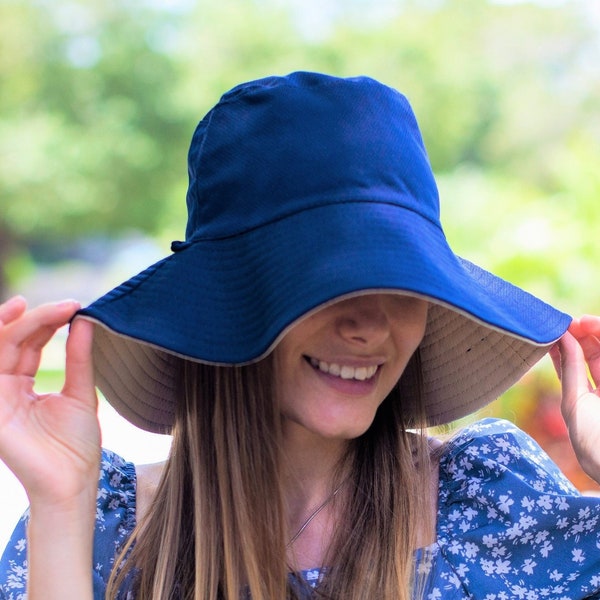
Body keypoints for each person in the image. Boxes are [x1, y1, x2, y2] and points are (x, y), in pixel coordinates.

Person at [0, 71, 599, 600]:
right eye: (325, 283)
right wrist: (58, 505)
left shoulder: (490, 501)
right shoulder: (100, 523)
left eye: (405, 283)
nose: (370, 325)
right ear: (226, 303)